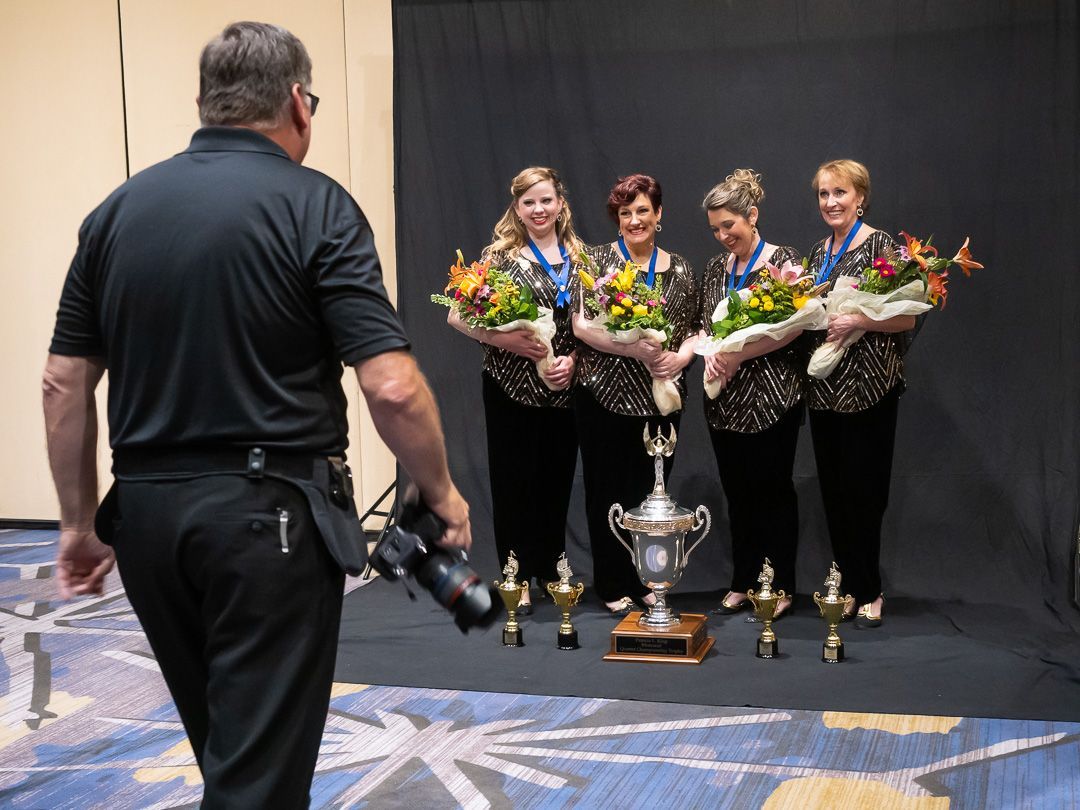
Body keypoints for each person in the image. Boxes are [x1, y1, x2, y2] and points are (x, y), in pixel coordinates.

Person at [42, 22, 470, 809]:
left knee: (233, 755)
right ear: (299, 103)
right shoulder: (317, 207)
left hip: (145, 522)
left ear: (205, 104)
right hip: (265, 524)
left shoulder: (116, 213)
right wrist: (440, 491)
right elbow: (393, 386)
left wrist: (75, 527)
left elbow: (64, 383)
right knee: (257, 780)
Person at [447, 167, 582, 613]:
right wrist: (503, 339)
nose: (539, 210)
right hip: (510, 386)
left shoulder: (580, 258)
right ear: (517, 209)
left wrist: (574, 361)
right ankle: (515, 573)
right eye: (529, 203)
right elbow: (456, 316)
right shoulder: (501, 258)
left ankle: (548, 569)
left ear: (560, 203)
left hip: (563, 386)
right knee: (513, 481)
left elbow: (592, 325)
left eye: (546, 200)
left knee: (555, 481)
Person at [573, 174, 699, 616]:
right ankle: (611, 582)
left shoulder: (681, 268)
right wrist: (632, 347)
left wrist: (681, 359)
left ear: (658, 214)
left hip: (660, 398)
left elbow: (696, 329)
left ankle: (648, 578)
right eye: (625, 213)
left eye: (642, 210)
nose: (634, 220)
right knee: (606, 490)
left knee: (650, 493)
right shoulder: (596, 261)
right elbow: (581, 325)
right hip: (603, 395)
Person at [805, 158, 914, 628]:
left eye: (840, 193)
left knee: (865, 491)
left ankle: (870, 589)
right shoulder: (816, 254)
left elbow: (909, 315)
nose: (831, 202)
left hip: (869, 387)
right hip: (824, 391)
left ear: (860, 198)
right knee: (834, 492)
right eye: (824, 195)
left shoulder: (881, 245)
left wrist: (861, 320)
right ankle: (848, 584)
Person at [698, 169, 804, 620]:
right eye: (716, 229)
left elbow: (796, 326)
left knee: (773, 491)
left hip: (774, 396)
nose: (723, 235)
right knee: (737, 492)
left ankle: (778, 584)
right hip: (724, 399)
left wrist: (741, 356)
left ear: (752, 215)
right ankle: (744, 579)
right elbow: (703, 327)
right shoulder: (713, 270)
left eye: (729, 225)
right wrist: (709, 353)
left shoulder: (784, 261)